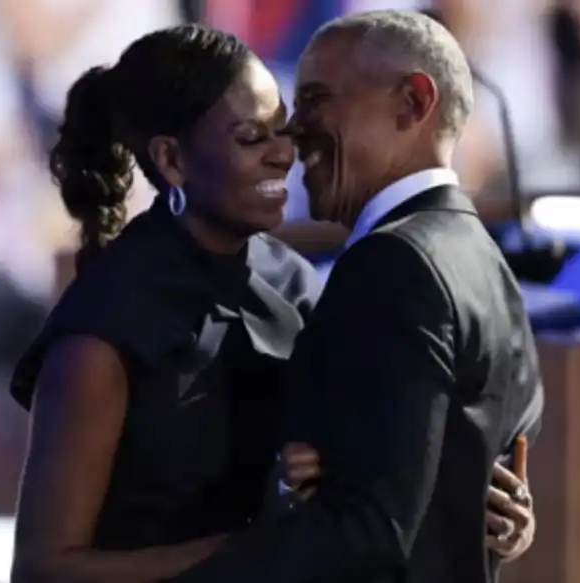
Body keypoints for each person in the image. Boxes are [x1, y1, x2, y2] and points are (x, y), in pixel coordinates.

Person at [9, 23, 536, 583]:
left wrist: (486, 510)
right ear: (171, 160)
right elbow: (45, 570)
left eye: (281, 129)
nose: (285, 153)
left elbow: (371, 476)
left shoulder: (298, 283)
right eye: (251, 138)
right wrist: (259, 542)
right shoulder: (102, 330)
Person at [166, 11, 543, 583]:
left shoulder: (395, 264)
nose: (293, 131)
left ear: (413, 102)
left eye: (316, 99)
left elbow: (369, 534)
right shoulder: (485, 262)